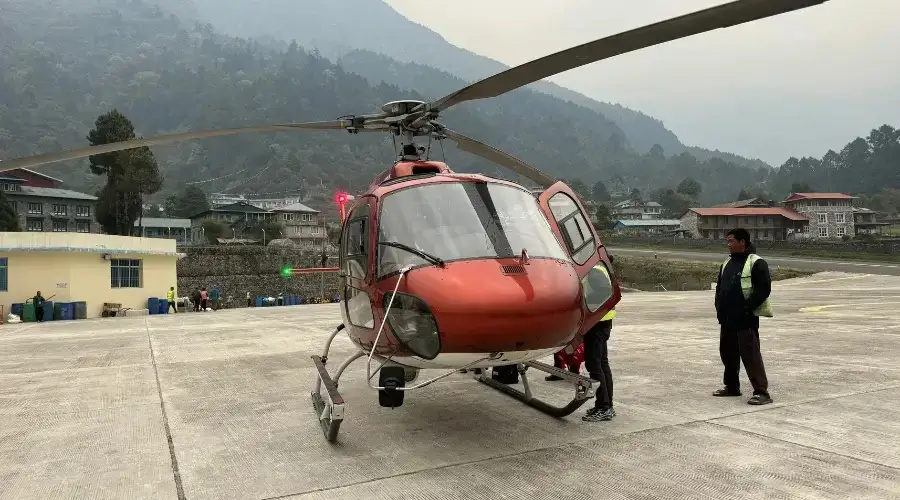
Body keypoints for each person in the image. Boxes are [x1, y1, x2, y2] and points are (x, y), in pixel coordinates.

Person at [713, 228, 773, 405]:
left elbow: (764, 290)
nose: (728, 244)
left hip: (745, 319)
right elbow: (719, 289)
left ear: (742, 242)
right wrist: (719, 308)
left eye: (731, 241)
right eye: (728, 241)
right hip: (727, 319)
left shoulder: (756, 263)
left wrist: (746, 308)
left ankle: (761, 392)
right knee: (728, 354)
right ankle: (732, 387)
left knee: (750, 355)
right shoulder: (727, 263)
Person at [581, 260, 617, 422]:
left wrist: (583, 299)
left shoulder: (593, 270)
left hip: (597, 321)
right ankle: (607, 405)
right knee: (602, 364)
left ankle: (604, 407)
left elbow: (604, 291)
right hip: (603, 321)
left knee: (594, 364)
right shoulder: (601, 268)